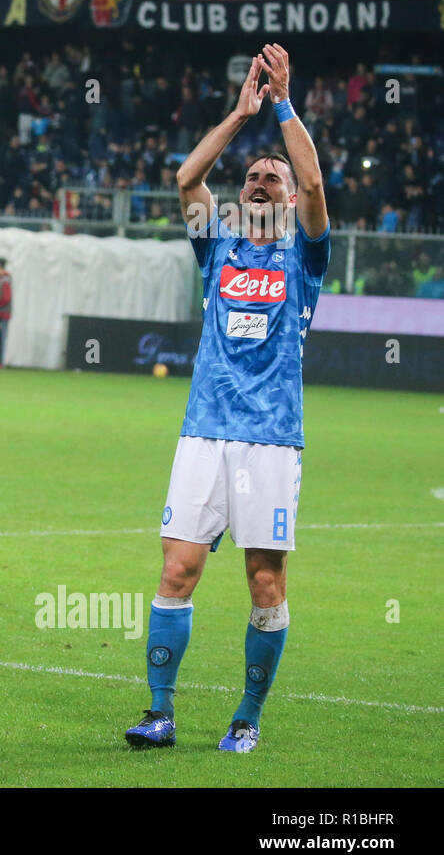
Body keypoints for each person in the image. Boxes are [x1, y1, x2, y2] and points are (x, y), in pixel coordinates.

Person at [124, 44, 329, 754]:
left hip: (271, 438)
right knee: (177, 570)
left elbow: (312, 177)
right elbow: (186, 177)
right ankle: (159, 712)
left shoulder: (304, 256)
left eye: (274, 178)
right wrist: (242, 116)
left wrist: (281, 105)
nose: (262, 183)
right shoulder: (219, 248)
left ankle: (246, 717)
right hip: (204, 432)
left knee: (264, 583)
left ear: (293, 199)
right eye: (253, 177)